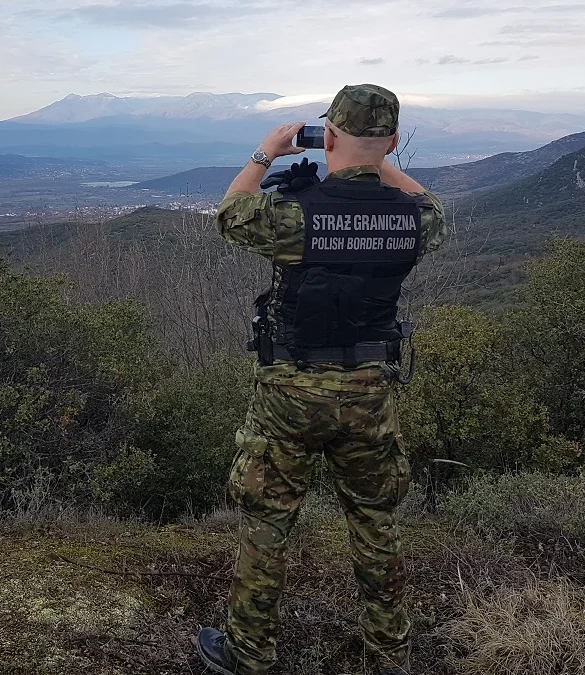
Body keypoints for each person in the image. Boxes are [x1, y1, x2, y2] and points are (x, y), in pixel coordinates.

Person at [195, 84, 448, 675]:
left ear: (326, 136)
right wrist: (375, 162)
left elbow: (231, 216)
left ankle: (249, 653)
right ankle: (390, 654)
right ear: (389, 142)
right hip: (368, 392)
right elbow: (435, 208)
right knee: (373, 518)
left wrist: (266, 153)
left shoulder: (294, 216)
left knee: (270, 517)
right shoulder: (416, 219)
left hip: (291, 391)